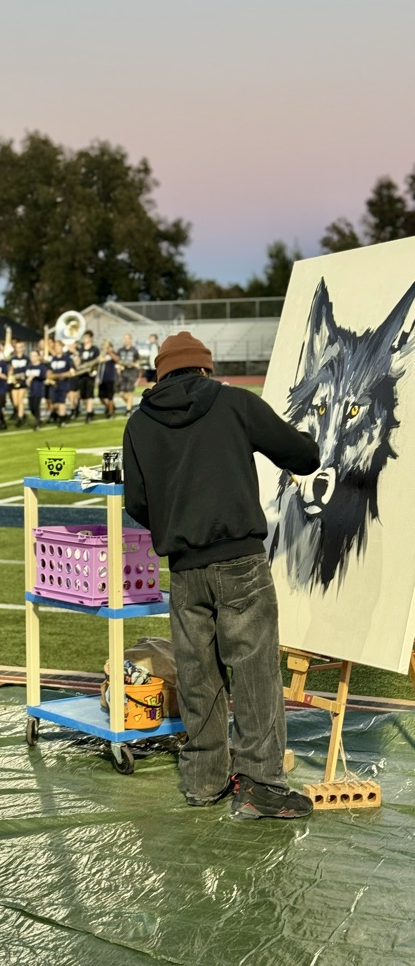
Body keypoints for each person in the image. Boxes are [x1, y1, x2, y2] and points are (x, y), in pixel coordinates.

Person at [122, 331, 320, 820]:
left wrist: (179, 525)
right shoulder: (234, 403)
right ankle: (261, 786)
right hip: (240, 562)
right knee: (253, 673)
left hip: (185, 569)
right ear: (205, 368)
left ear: (160, 374)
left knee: (198, 676)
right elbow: (303, 456)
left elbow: (137, 504)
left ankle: (204, 782)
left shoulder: (139, 423)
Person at [116, 333, 141, 416]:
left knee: (130, 391)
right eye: (125, 339)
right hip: (123, 372)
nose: (126, 340)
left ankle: (128, 410)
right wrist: (119, 366)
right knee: (121, 393)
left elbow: (138, 360)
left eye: (127, 339)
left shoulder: (134, 350)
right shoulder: (120, 350)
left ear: (130, 340)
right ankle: (129, 405)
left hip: (132, 372)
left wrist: (135, 364)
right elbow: (118, 360)